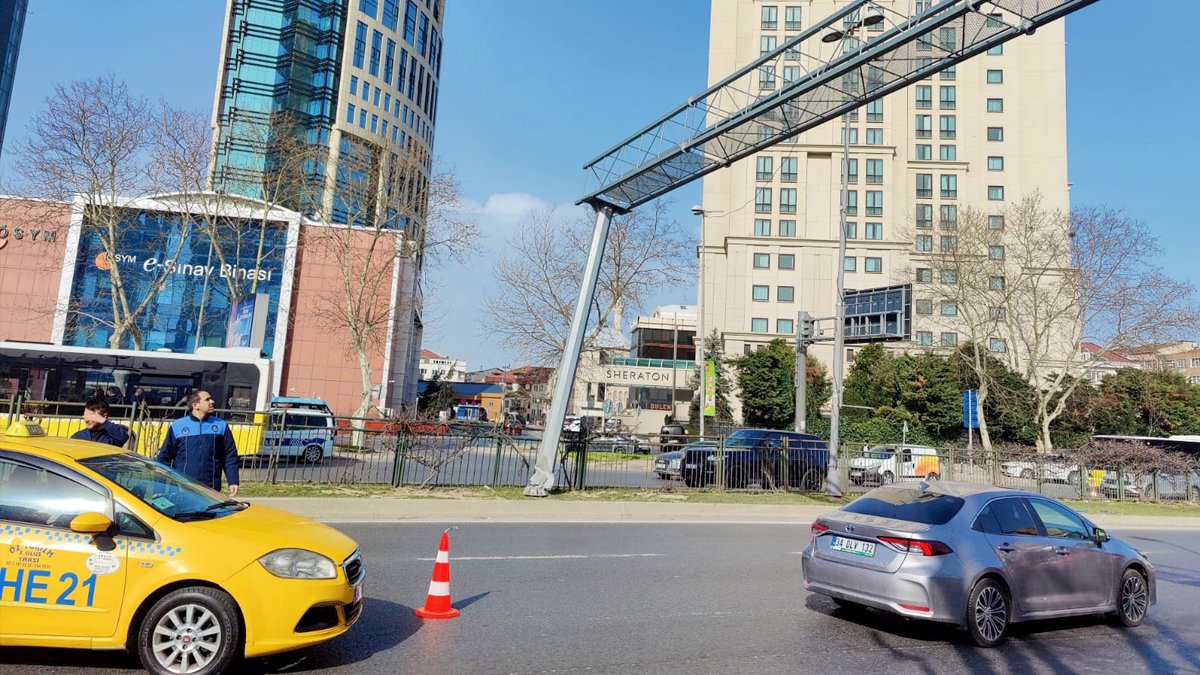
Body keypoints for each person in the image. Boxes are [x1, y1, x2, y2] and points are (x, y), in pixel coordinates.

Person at [156, 390, 240, 497]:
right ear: (195, 405)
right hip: (183, 487)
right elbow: (164, 457)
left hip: (211, 487)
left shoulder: (220, 425)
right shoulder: (178, 426)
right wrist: (159, 486)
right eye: (207, 399)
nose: (212, 401)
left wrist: (233, 481)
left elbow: (230, 455)